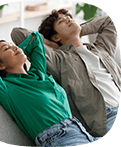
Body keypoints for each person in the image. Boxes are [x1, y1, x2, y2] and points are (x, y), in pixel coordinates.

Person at [0, 32, 100, 146]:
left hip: (81, 131)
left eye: (13, 45)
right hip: (58, 139)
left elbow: (36, 39)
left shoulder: (39, 74)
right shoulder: (6, 88)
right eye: (7, 48)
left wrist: (16, 50)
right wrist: (13, 54)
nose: (14, 47)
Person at [11, 9, 121, 138]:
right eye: (61, 21)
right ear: (55, 37)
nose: (68, 19)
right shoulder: (57, 59)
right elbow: (18, 33)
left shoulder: (101, 49)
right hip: (108, 118)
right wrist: (50, 43)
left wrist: (78, 31)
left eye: (68, 16)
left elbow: (110, 21)